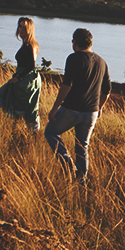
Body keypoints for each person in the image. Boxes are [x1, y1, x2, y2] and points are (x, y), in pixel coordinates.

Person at [45, 27, 110, 183]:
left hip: (72, 109)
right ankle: (81, 180)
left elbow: (67, 85)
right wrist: (100, 107)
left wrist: (55, 108)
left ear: (75, 42)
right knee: (83, 146)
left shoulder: (74, 58)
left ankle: (67, 162)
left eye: (72, 41)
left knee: (51, 132)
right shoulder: (102, 61)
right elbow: (107, 90)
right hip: (91, 113)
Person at [0, 17, 42, 132]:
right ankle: (20, 130)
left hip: (27, 79)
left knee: (7, 97)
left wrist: (18, 77)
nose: (20, 29)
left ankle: (31, 131)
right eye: (20, 26)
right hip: (27, 78)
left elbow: (31, 66)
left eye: (24, 27)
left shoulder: (29, 46)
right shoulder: (28, 44)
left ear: (29, 29)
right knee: (22, 105)